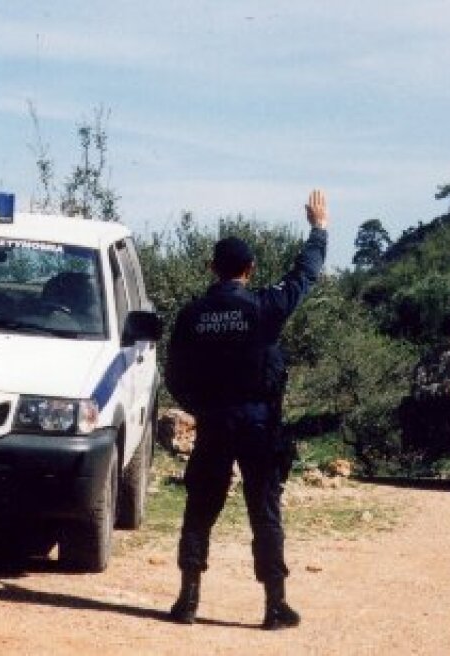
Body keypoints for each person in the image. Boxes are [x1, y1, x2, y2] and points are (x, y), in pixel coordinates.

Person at [164, 189, 329, 630]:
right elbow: (303, 276)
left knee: (200, 507)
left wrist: (199, 408)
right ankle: (275, 606)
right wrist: (318, 230)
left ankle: (187, 601)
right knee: (265, 510)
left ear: (211, 269)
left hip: (215, 421)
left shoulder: (192, 314)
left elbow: (174, 373)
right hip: (257, 423)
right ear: (250, 270)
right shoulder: (263, 308)